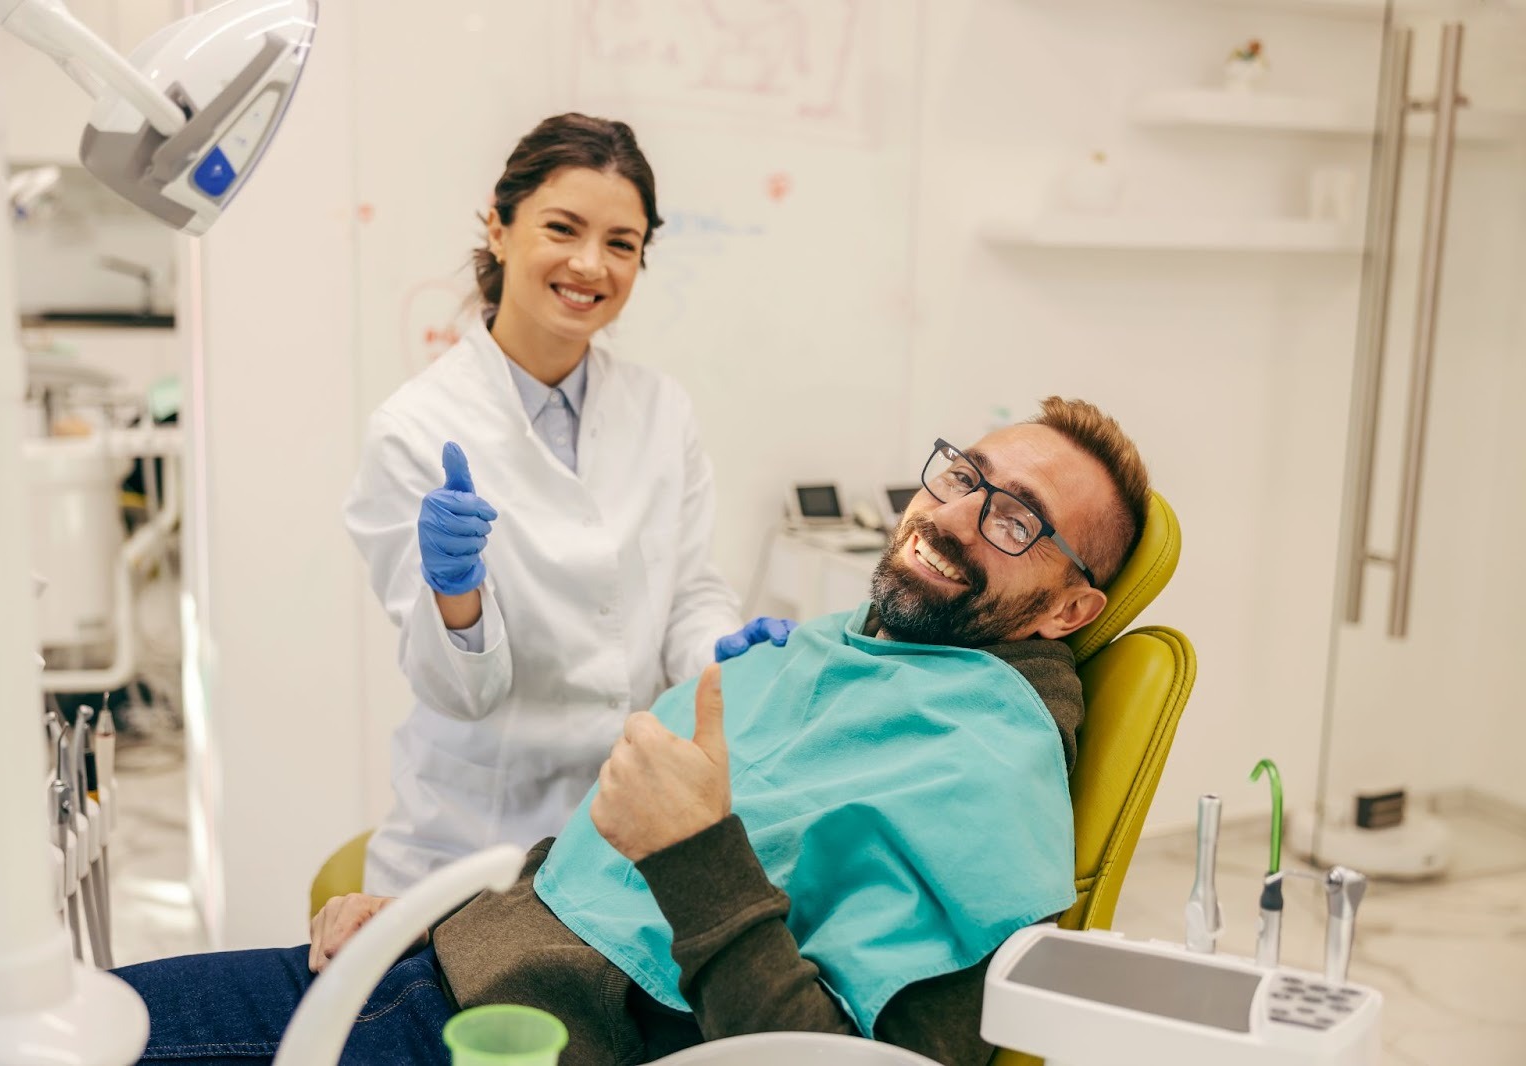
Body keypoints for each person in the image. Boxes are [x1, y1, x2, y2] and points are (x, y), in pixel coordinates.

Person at [120, 398, 1153, 1066]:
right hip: (454, 964)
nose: (957, 517)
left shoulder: (981, 771)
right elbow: (610, 878)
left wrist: (694, 847)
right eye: (962, 476)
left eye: (1017, 521)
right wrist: (433, 917)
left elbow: (829, 1053)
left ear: (1070, 608)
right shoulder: (858, 652)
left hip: (499, 1036)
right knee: (84, 1015)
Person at [343, 113, 794, 895]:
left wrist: (722, 655)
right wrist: (454, 594)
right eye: (563, 228)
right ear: (499, 227)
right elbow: (462, 693)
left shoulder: (662, 410)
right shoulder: (413, 428)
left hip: (634, 830)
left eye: (621, 243)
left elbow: (688, 592)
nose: (590, 264)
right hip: (477, 844)